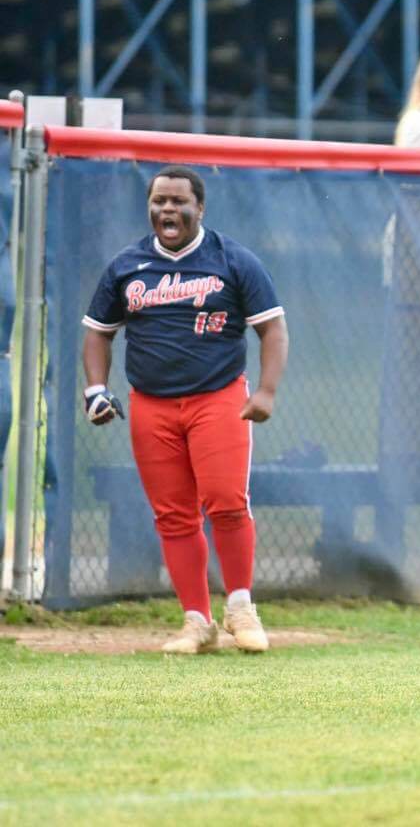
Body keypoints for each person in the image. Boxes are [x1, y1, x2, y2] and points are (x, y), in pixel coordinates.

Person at [82, 165, 288, 655]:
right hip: (150, 403)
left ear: (200, 208)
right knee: (173, 515)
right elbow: (97, 332)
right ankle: (197, 621)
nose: (168, 209)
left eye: (178, 201)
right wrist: (95, 390)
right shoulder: (127, 266)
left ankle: (241, 608)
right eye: (159, 201)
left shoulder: (232, 260)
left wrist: (266, 392)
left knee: (225, 500)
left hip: (217, 397)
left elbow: (273, 328)